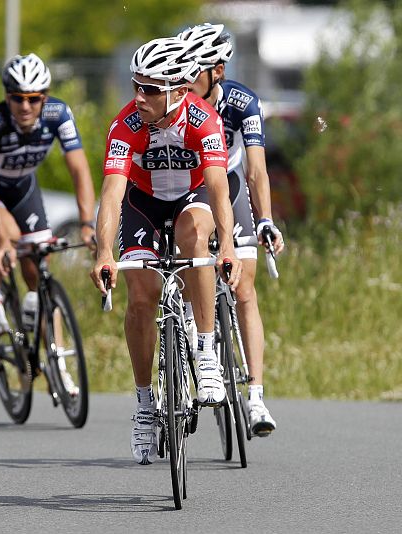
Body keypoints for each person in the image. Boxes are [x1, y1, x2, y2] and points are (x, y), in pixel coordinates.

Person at [89, 37, 243, 465]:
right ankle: (143, 404)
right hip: (142, 203)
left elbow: (217, 187)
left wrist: (227, 243)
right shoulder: (126, 125)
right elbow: (112, 195)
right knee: (140, 297)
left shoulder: (203, 120)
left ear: (178, 90)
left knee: (195, 237)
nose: (139, 97)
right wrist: (104, 252)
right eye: (136, 85)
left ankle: (206, 351)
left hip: (191, 198)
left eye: (151, 89)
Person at [179, 23, 284, 436]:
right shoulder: (173, 101)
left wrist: (264, 218)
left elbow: (256, 169)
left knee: (244, 288)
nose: (184, 77)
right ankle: (189, 335)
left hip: (231, 186)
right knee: (186, 266)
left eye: (194, 70)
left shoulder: (242, 102)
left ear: (217, 71)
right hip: (187, 190)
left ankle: (255, 397)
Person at [0, 53, 96, 343]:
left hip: (21, 185)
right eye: (17, 98)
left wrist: (86, 222)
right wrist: (0, 241)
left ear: (45, 97)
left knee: (37, 265)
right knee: (9, 238)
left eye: (33, 99)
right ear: (7, 97)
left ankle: (57, 361)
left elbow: (80, 170)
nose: (25, 106)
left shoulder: (59, 114)